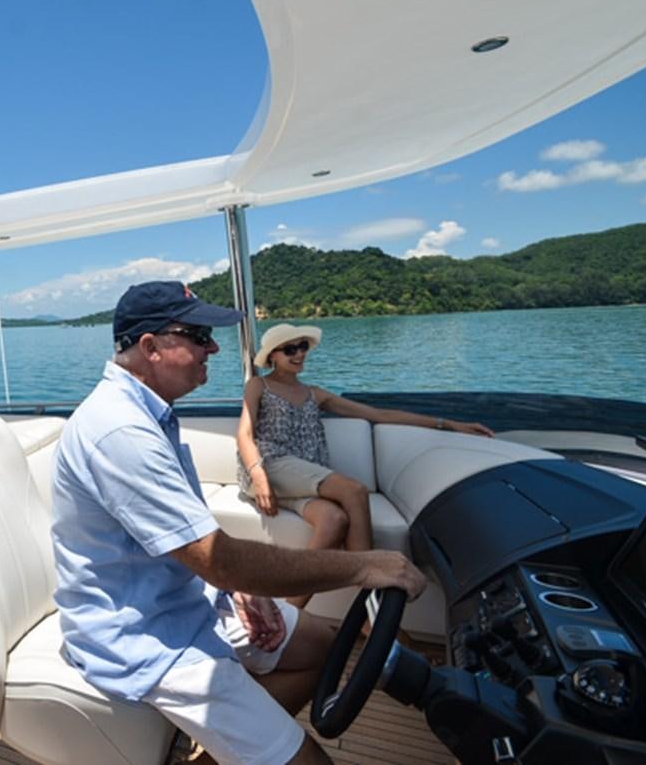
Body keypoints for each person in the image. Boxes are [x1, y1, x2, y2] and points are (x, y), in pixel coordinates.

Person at [52, 281, 427, 765]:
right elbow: (219, 559)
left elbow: (191, 545)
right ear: (151, 347)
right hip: (142, 634)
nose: (212, 347)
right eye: (198, 335)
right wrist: (362, 567)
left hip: (183, 601)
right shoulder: (121, 432)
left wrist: (232, 591)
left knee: (320, 645)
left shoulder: (151, 416)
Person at [238, 324, 493, 601]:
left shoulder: (315, 394)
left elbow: (377, 414)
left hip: (300, 479)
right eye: (290, 349)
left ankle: (291, 612)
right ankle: (369, 602)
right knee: (354, 490)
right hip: (269, 468)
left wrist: (448, 424)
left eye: (303, 347)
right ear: (272, 356)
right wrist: (259, 475)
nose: (299, 354)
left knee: (335, 520)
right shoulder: (259, 385)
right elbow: (244, 433)